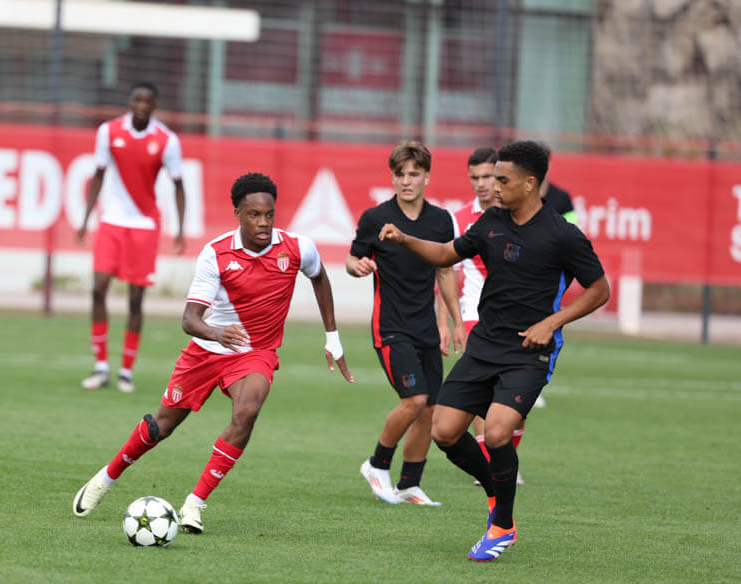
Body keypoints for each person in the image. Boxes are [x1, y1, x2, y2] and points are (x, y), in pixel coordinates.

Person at [72, 172, 354, 533]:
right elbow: (189, 320)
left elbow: (319, 277)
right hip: (205, 352)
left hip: (255, 352)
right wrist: (218, 333)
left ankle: (195, 503)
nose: (264, 223)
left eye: (269, 214)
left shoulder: (298, 248)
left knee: (247, 411)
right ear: (237, 214)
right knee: (162, 425)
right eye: (254, 215)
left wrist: (332, 335)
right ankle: (106, 478)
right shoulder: (216, 254)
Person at [378, 140, 610, 561]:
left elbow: (599, 289)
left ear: (530, 183)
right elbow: (446, 254)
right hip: (485, 344)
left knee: (498, 432)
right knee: (445, 432)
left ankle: (502, 524)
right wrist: (405, 238)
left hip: (529, 350)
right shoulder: (490, 222)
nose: (493, 187)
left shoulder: (562, 234)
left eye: (502, 180)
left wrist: (551, 322)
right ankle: (494, 490)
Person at [347, 141, 464, 507]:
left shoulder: (441, 221)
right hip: (390, 327)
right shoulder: (375, 218)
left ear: (427, 177)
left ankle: (410, 484)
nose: (407, 180)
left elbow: (445, 271)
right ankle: (377, 464)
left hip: (426, 328)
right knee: (414, 400)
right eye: (400, 174)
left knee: (429, 409)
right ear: (393, 178)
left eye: (414, 174)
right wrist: (358, 266)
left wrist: (456, 323)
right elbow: (352, 259)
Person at [75, 82, 186, 393]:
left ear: (154, 105)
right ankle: (101, 367)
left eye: (147, 101)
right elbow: (98, 175)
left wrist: (179, 229)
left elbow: (179, 185)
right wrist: (85, 219)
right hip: (111, 221)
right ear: (130, 102)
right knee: (98, 289)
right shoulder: (108, 132)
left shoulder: (166, 140)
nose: (141, 105)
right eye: (137, 99)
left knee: (136, 300)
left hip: (144, 225)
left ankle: (126, 371)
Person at [441, 148, 526, 484]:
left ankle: (504, 455)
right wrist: (448, 323)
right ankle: (491, 464)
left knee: (514, 399)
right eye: (474, 177)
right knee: (483, 394)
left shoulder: (518, 215)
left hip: (516, 318)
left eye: (487, 176)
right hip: (475, 314)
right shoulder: (461, 218)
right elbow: (446, 271)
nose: (481, 184)